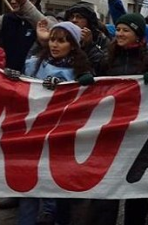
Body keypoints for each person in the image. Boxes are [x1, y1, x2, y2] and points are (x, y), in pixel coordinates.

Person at [14, 21, 94, 225]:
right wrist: (14, 79)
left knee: (55, 183)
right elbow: (21, 90)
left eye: (61, 41)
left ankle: (52, 215)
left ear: (73, 45)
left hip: (60, 138)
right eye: (52, 40)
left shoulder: (79, 72)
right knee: (28, 182)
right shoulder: (34, 64)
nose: (54, 45)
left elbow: (85, 100)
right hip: (32, 135)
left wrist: (68, 88)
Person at [90, 13, 148, 225]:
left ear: (138, 34)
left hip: (138, 135)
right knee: (106, 188)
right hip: (110, 134)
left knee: (136, 190)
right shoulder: (107, 58)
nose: (119, 34)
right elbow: (90, 72)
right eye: (118, 29)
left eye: (126, 30)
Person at [0, 0, 47, 72]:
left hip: (30, 80)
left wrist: (24, 3)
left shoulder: (44, 21)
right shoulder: (5, 19)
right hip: (5, 78)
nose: (13, 1)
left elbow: (53, 30)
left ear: (33, 1)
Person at [64, 2, 109, 74]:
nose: (74, 20)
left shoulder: (101, 39)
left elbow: (103, 67)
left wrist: (90, 46)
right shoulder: (62, 36)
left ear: (89, 21)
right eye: (71, 17)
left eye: (79, 17)